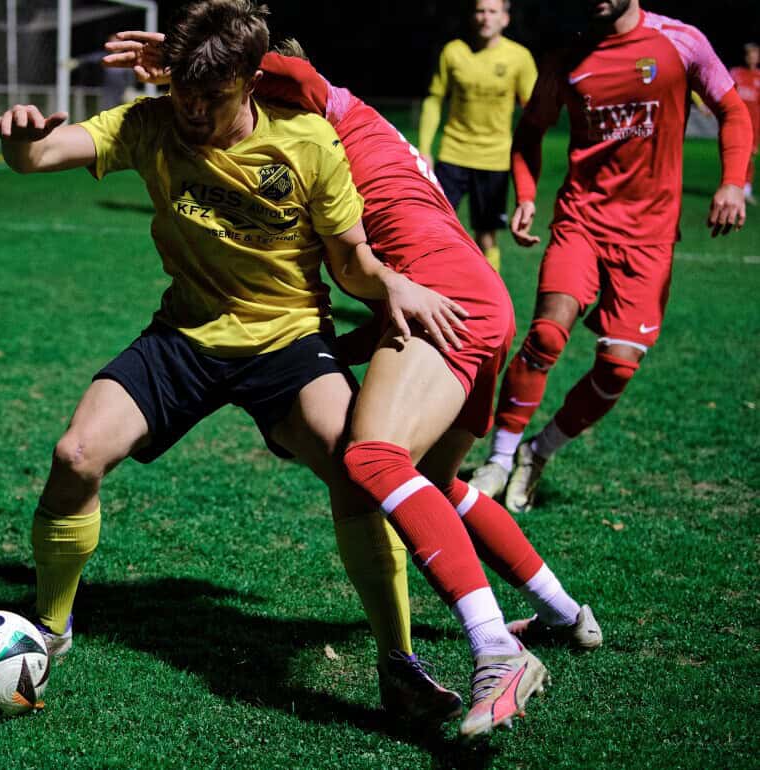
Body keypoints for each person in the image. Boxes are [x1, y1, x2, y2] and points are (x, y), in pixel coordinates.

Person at [105, 31, 603, 742]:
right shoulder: (356, 142)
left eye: (246, 90)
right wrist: (325, 354)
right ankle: (563, 614)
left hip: (445, 295)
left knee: (371, 458)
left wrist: (195, 57)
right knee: (438, 478)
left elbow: (297, 79)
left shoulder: (326, 110)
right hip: (468, 296)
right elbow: (384, 295)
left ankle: (497, 652)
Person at [0, 0, 470, 727]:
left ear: (250, 80)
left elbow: (350, 262)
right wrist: (23, 141)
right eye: (181, 92)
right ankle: (52, 627)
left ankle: (399, 664)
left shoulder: (308, 144)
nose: (190, 110)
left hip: (289, 343)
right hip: (184, 337)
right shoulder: (150, 124)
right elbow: (42, 157)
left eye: (209, 99)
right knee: (76, 455)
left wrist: (394, 285)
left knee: (355, 467)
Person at [470, 0, 753, 513]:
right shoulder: (568, 57)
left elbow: (733, 109)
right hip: (582, 221)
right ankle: (499, 458)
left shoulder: (681, 41)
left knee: (618, 367)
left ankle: (538, 452)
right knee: (547, 334)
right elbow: (531, 129)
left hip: (650, 237)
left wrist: (733, 183)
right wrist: (528, 194)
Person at [418, 0, 536, 272]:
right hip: (453, 154)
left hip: (495, 159)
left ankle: (492, 306)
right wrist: (425, 149)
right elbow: (434, 100)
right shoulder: (453, 52)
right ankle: (430, 294)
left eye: (492, 12)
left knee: (486, 236)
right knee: (431, 226)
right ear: (472, 16)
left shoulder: (519, 57)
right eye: (480, 11)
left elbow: (534, 113)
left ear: (505, 19)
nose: (485, 18)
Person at [731, 42, 760, 204]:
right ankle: (732, 187)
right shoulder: (736, 73)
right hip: (735, 123)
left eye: (755, 55)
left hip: (753, 124)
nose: (752, 58)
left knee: (749, 157)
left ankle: (746, 190)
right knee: (733, 155)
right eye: (749, 54)